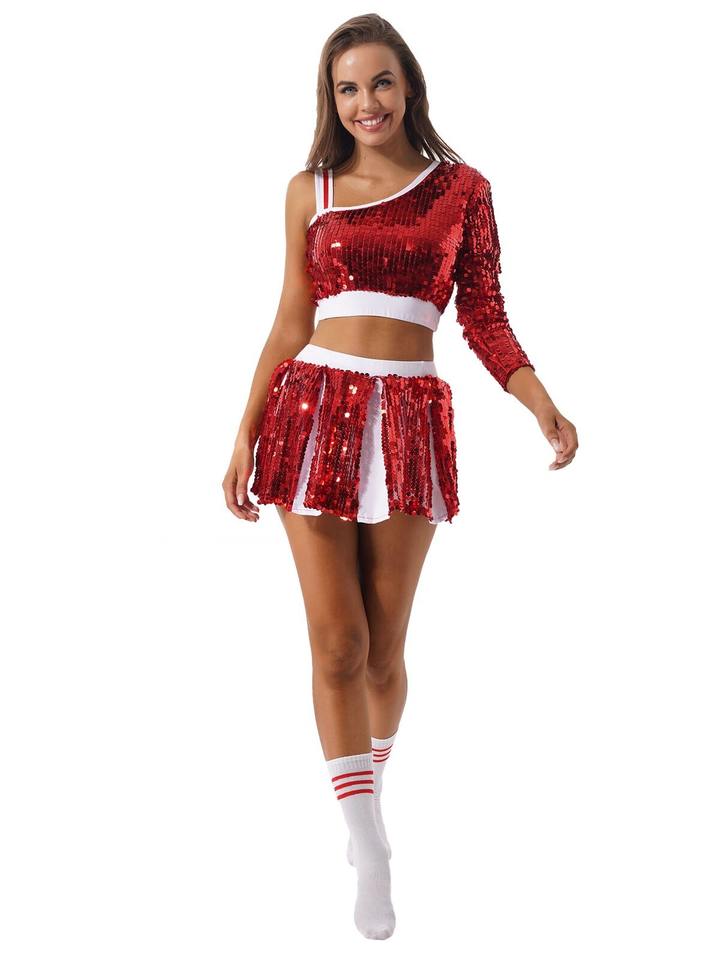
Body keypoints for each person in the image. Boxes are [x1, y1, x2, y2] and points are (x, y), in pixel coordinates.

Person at [222, 14, 578, 941]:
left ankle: (368, 792)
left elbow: (485, 317)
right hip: (311, 411)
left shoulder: (463, 190)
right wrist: (244, 433)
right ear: (330, 100)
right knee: (337, 644)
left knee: (383, 652)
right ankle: (368, 843)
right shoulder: (310, 190)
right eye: (346, 89)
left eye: (380, 82)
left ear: (409, 85)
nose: (365, 103)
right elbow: (291, 318)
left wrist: (540, 403)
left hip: (410, 419)